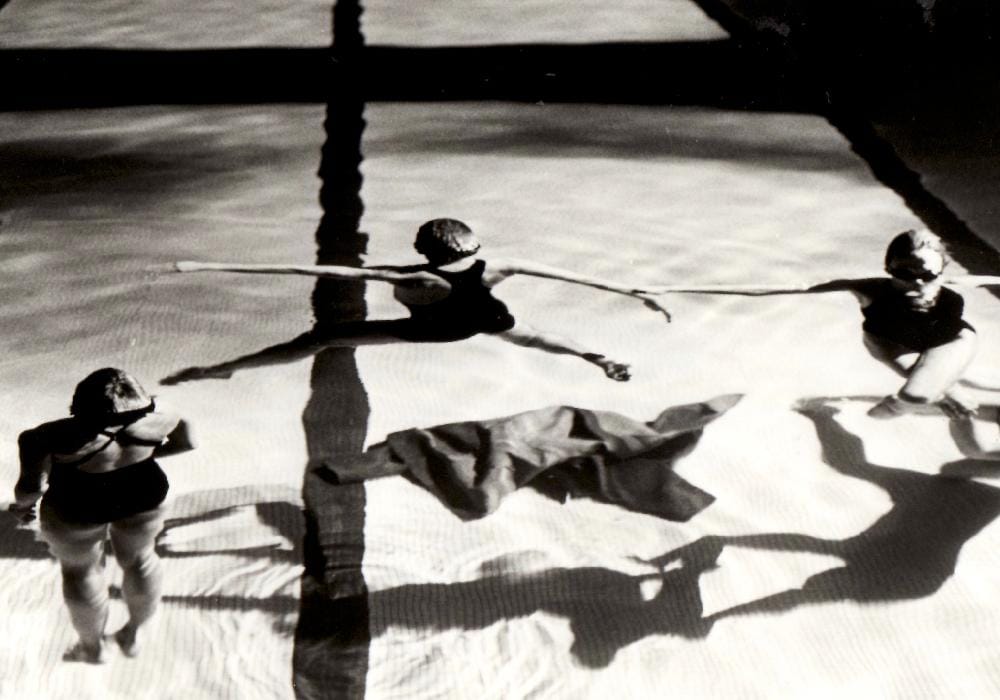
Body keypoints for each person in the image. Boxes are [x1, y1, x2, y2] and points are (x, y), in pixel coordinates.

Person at [161, 218, 670, 384]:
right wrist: (634, 292)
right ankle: (594, 356)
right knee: (533, 336)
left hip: (433, 328)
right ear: (472, 246)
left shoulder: (409, 276)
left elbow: (310, 268)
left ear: (423, 251)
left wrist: (208, 265)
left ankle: (226, 368)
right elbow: (575, 276)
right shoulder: (496, 266)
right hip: (485, 317)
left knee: (322, 339)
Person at [646, 229, 998, 417]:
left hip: (947, 341)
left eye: (928, 275)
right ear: (888, 268)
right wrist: (670, 287)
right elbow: (784, 289)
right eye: (904, 272)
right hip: (891, 344)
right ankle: (932, 393)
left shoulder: (954, 285)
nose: (917, 283)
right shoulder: (868, 289)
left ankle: (898, 407)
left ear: (941, 271)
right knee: (925, 394)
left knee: (919, 394)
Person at [9, 368, 195, 663]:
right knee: (141, 559)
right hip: (144, 494)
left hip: (78, 505)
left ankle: (93, 649)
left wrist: (20, 510)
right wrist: (138, 458)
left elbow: (32, 489)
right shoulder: (166, 414)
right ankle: (132, 636)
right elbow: (187, 444)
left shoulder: (46, 436)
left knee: (81, 571)